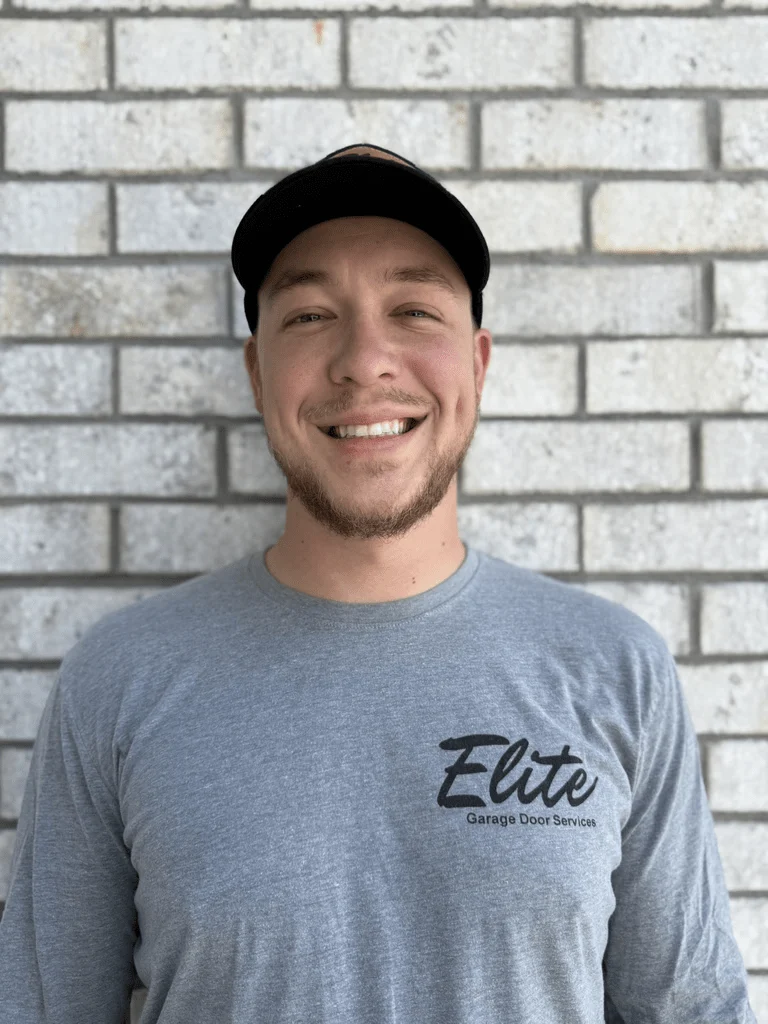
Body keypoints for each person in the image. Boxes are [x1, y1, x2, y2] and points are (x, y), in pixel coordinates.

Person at [0, 143, 756, 1024]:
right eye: (313, 315)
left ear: (477, 364)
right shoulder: (120, 681)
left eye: (413, 310)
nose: (365, 360)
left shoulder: (615, 670)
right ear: (256, 373)